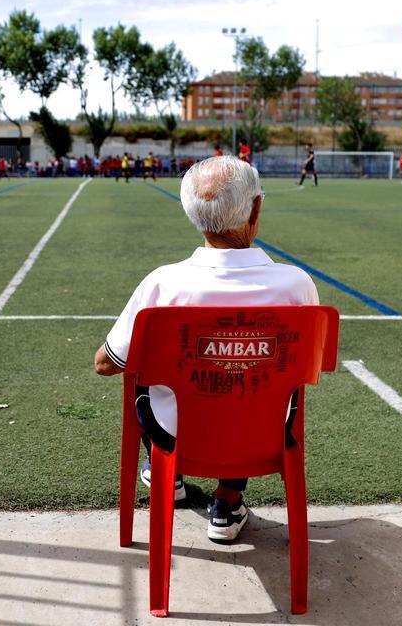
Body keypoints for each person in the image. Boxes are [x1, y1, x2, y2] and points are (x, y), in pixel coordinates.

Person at [94, 156, 319, 542]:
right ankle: (228, 501)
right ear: (256, 208)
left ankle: (168, 471)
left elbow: (106, 363)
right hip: (264, 434)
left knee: (144, 378)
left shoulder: (164, 285)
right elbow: (311, 367)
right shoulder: (296, 285)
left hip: (176, 436)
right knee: (252, 384)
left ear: (192, 215)